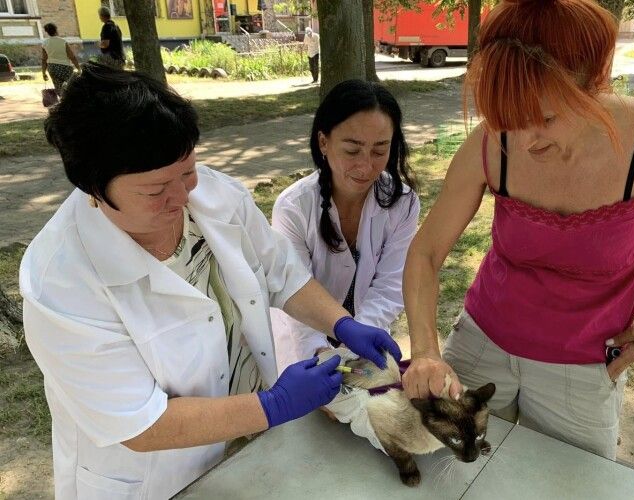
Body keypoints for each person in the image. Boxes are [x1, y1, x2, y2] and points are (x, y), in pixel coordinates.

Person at [20, 63, 401, 499]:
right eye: (156, 189)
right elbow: (141, 424)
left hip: (247, 444)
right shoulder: (60, 282)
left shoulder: (217, 196)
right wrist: (271, 405)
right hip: (157, 477)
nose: (183, 197)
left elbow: (282, 274)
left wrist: (341, 323)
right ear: (92, 187)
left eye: (187, 171)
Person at [401, 0, 634, 461]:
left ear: (593, 82)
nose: (524, 140)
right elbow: (425, 253)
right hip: (481, 344)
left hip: (584, 368)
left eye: (544, 118)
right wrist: (425, 348)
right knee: (444, 470)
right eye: (507, 118)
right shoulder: (491, 142)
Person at [271, 79, 420, 373]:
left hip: (365, 338)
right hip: (302, 337)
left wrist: (354, 346)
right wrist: (321, 356)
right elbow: (294, 291)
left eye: (380, 151)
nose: (366, 166)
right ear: (323, 142)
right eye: (352, 150)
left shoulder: (403, 203)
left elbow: (390, 286)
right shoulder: (293, 207)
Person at [41, 23, 80, 96]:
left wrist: (43, 73)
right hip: (66, 67)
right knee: (70, 87)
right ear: (56, 30)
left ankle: (62, 103)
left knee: (59, 88)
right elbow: (72, 56)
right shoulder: (63, 41)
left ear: (47, 32)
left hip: (52, 68)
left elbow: (44, 60)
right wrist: (78, 68)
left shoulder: (44, 43)